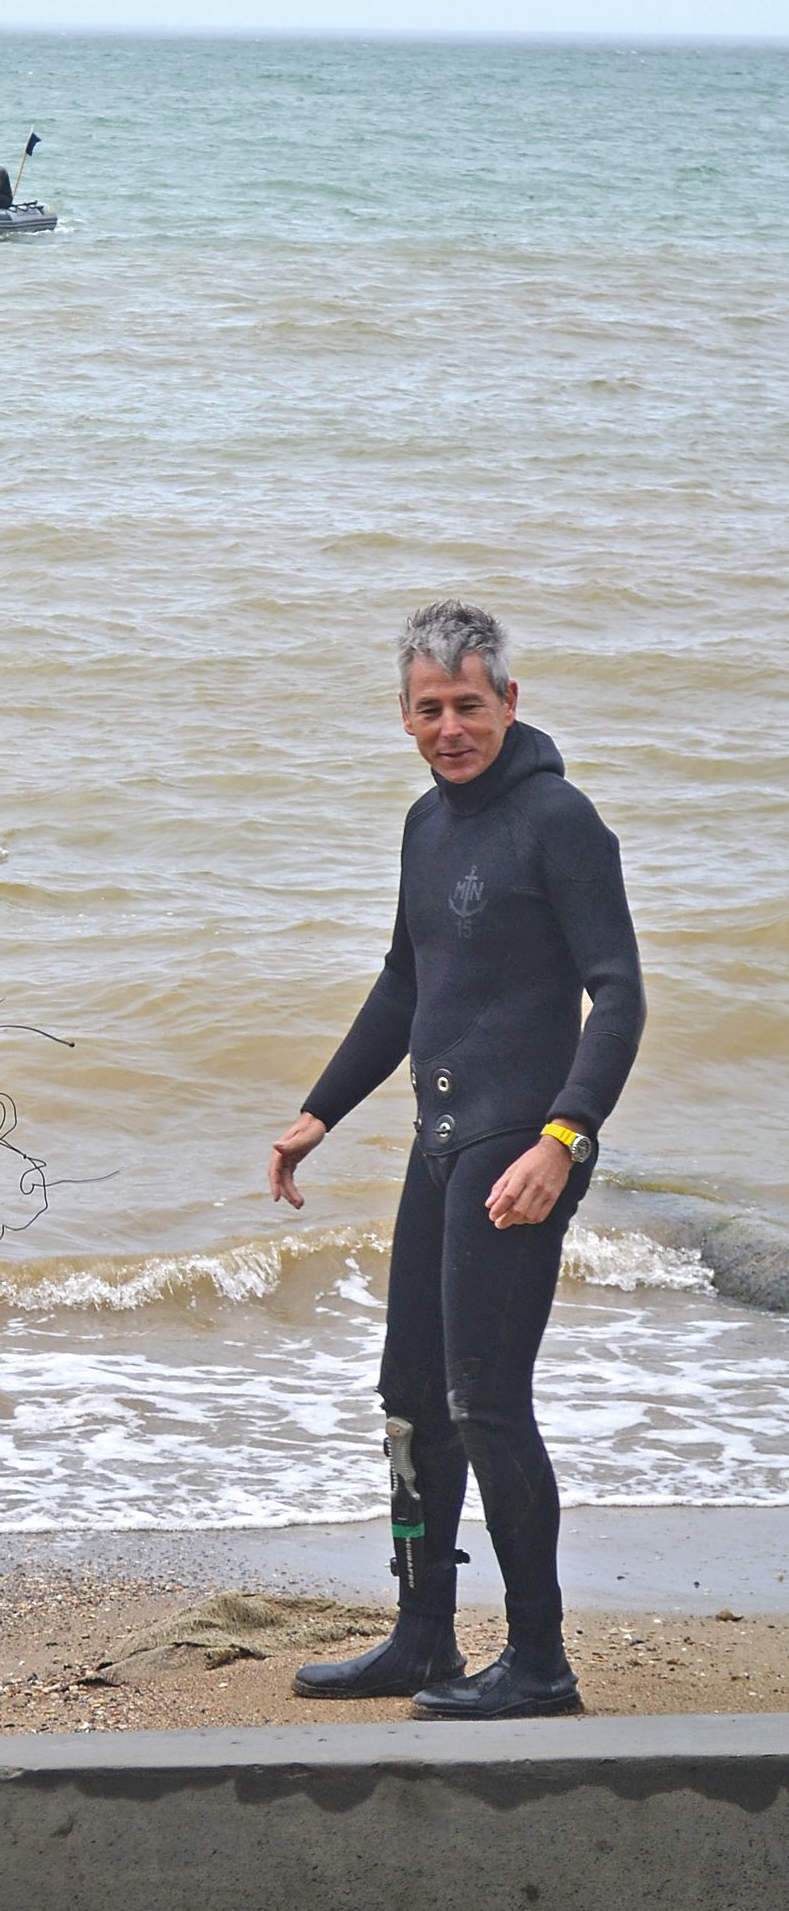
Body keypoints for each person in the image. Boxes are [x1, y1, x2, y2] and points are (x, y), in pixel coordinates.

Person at [268, 601, 645, 1720]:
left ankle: (539, 1661)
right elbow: (404, 981)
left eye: (468, 706)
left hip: (520, 1147)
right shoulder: (425, 826)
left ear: (509, 703)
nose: (450, 728)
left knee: (487, 1401)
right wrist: (319, 1112)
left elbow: (617, 995)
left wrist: (562, 1141)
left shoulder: (560, 821)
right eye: (428, 710)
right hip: (439, 1143)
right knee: (407, 1399)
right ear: (404, 716)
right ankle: (423, 1637)